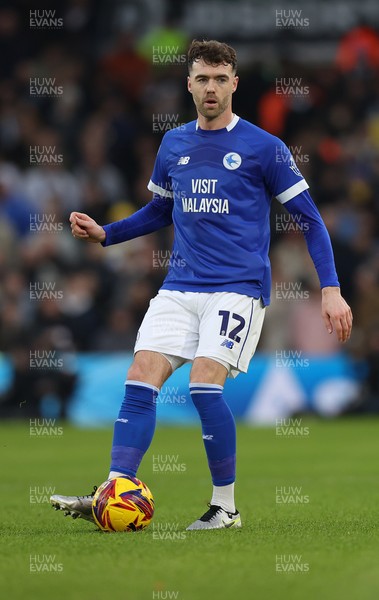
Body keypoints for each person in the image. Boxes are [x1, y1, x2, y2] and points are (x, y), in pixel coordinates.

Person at [51, 40, 352, 530]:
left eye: (219, 79)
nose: (210, 88)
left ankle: (225, 507)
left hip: (237, 288)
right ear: (189, 84)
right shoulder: (174, 145)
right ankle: (115, 489)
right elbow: (160, 210)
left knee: (203, 388)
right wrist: (108, 234)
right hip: (180, 286)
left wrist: (332, 288)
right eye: (202, 79)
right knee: (140, 375)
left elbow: (310, 220)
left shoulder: (265, 147)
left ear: (233, 83)